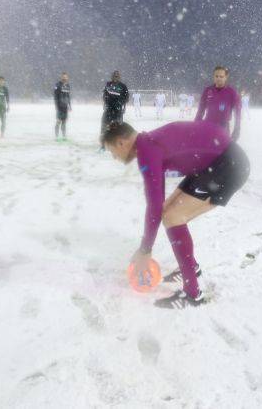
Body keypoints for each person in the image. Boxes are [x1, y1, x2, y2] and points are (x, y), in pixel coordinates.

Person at [103, 120, 250, 309]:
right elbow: (158, 204)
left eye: (111, 151)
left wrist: (145, 250)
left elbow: (154, 205)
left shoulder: (147, 150)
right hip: (213, 163)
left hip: (228, 166)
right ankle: (191, 268)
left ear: (121, 143)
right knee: (168, 213)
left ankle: (192, 294)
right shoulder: (148, 143)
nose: (114, 157)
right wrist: (145, 248)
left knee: (173, 217)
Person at [195, 66, 241, 140]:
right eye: (216, 76)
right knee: (206, 150)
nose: (218, 78)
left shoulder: (232, 92)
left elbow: (238, 112)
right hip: (208, 127)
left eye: (221, 76)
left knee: (222, 151)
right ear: (213, 77)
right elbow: (201, 109)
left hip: (223, 129)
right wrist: (196, 124)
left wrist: (237, 129)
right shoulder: (207, 91)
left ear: (226, 77)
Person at [100, 70, 129, 150]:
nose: (115, 77)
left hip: (118, 111)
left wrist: (120, 103)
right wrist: (106, 101)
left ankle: (117, 146)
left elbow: (126, 98)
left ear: (119, 77)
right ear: (112, 77)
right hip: (108, 109)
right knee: (104, 126)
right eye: (114, 76)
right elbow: (104, 95)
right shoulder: (108, 84)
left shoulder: (123, 86)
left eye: (117, 76)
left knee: (118, 128)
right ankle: (103, 145)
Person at [53, 72, 71, 140]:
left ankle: (64, 136)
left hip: (65, 107)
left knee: (64, 122)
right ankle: (56, 136)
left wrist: (69, 105)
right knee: (58, 121)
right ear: (61, 77)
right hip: (59, 107)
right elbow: (55, 97)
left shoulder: (67, 86)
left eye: (66, 77)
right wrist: (57, 106)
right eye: (63, 77)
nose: (65, 78)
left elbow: (68, 96)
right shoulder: (57, 85)